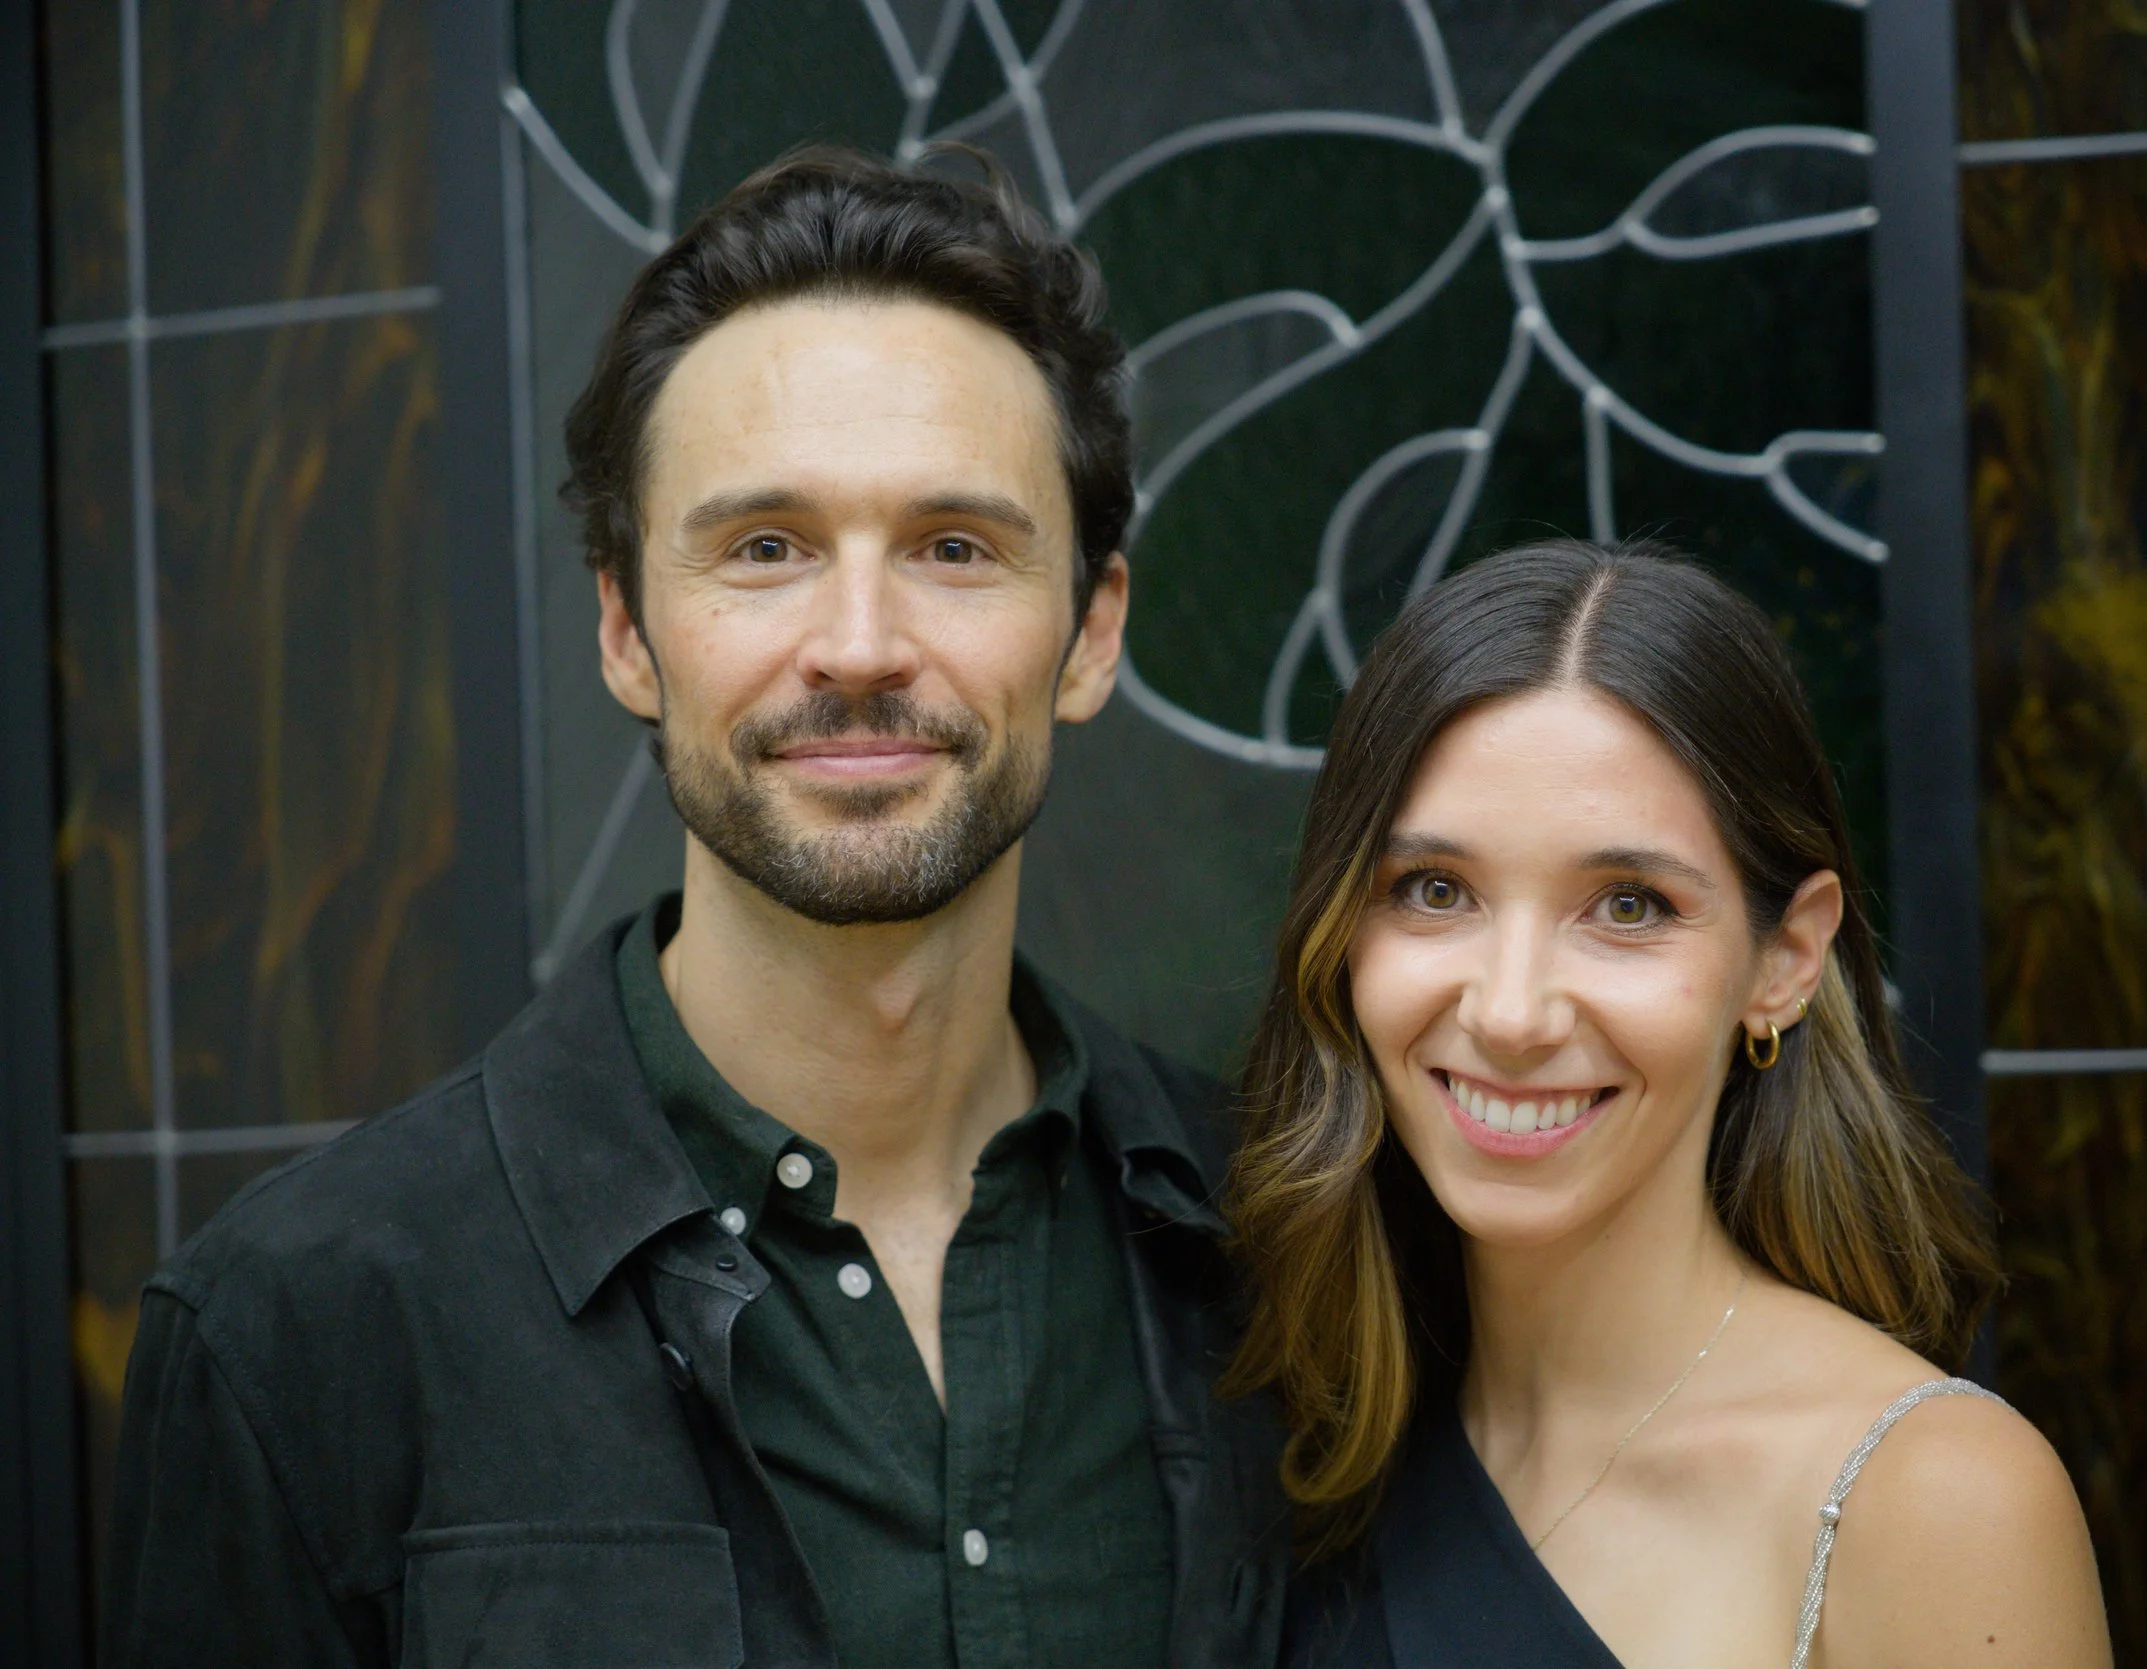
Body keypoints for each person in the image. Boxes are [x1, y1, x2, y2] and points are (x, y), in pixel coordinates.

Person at [103, 148, 1287, 1668]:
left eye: (953, 547)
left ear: (1090, 629)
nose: (858, 644)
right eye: (765, 549)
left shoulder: (1291, 1260)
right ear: (625, 629)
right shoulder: (297, 1330)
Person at [1224, 540, 2111, 1667]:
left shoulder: (1931, 1498)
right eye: (1434, 891)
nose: (1510, 1012)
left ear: (1784, 958)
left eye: (1628, 906)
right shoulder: (1297, 1433)